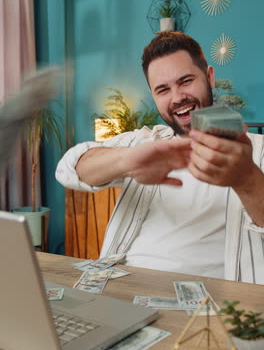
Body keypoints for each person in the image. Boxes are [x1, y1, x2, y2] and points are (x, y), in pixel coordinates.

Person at [56, 32, 264, 284]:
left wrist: (247, 180)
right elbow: (68, 169)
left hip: (210, 306)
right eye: (163, 89)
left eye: (186, 81)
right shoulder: (142, 141)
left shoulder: (258, 150)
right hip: (123, 292)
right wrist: (128, 160)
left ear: (209, 77)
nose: (177, 98)